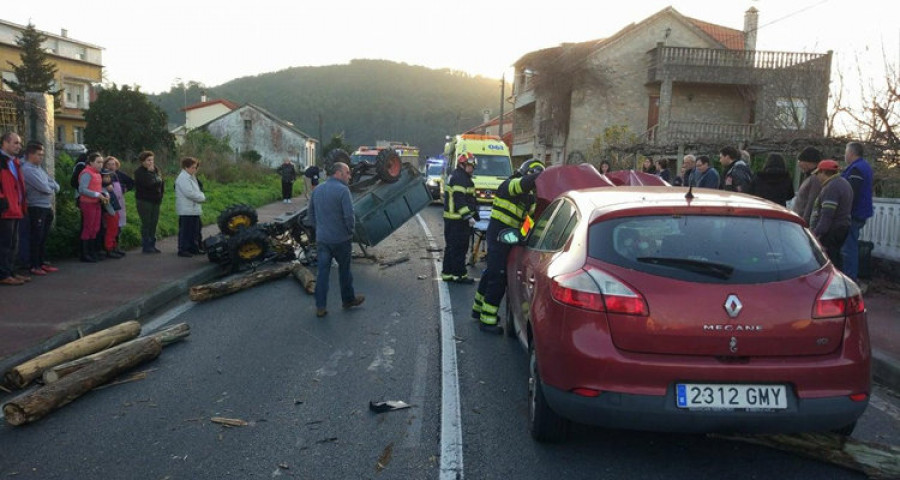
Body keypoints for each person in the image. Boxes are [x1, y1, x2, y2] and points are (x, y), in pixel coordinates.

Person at [472, 158, 545, 334]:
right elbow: (523, 184)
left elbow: (529, 220)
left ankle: (478, 309)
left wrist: (524, 235)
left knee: (490, 272)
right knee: (498, 277)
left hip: (509, 237)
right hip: (498, 236)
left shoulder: (530, 199)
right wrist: (544, 176)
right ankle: (487, 321)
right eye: (534, 179)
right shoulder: (510, 185)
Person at [307, 150, 365, 318]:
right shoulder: (343, 191)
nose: (349, 176)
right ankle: (348, 300)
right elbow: (349, 216)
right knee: (345, 271)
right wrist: (350, 231)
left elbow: (310, 214)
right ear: (339, 173)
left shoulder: (317, 190)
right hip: (341, 240)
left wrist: (319, 229)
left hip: (323, 239)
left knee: (322, 273)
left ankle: (320, 307)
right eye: (347, 173)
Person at [21, 141, 60, 275]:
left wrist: (50, 186)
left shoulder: (38, 169)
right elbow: (45, 187)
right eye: (39, 154)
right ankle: (34, 265)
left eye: (42, 154)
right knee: (36, 237)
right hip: (36, 207)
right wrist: (50, 186)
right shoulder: (27, 169)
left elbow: (53, 183)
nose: (41, 157)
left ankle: (41, 262)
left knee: (43, 237)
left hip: (46, 206)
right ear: (30, 155)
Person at [839, 141, 874, 281]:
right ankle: (850, 276)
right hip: (859, 212)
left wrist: (843, 210)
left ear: (851, 153)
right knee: (850, 245)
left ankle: (850, 278)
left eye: (846, 152)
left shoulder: (856, 169)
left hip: (854, 213)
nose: (844, 155)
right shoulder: (862, 167)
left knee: (848, 247)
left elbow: (851, 192)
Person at [441, 152, 478, 283]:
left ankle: (447, 274)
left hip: (453, 219)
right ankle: (459, 275)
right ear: (463, 164)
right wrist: (468, 217)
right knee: (460, 248)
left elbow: (468, 199)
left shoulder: (457, 176)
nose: (472, 169)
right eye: (471, 165)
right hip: (458, 220)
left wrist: (475, 215)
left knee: (451, 247)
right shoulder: (460, 179)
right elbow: (460, 200)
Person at [809, 160, 853, 269]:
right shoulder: (844, 183)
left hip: (832, 230)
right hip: (843, 227)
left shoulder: (831, 188)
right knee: (837, 256)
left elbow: (827, 215)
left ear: (823, 172)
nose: (817, 177)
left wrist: (815, 234)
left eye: (818, 173)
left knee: (830, 261)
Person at [0, 132, 29, 285]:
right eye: (15, 143)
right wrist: (3, 202)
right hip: (5, 209)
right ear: (5, 142)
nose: (19, 146)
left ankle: (10, 272)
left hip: (15, 208)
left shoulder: (14, 161)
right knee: (4, 244)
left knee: (13, 243)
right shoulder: (2, 161)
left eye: (19, 143)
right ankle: (4, 274)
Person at [77, 152, 109, 263]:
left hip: (96, 203)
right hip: (87, 203)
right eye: (98, 162)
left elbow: (99, 188)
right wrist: (97, 194)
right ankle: (84, 253)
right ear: (91, 162)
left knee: (95, 227)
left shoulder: (97, 174)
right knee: (88, 227)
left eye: (102, 162)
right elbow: (82, 189)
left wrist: (104, 194)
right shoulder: (86, 173)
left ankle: (92, 251)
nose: (101, 165)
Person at [174, 157, 206, 258]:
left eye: (195, 168)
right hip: (186, 209)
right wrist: (202, 197)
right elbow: (190, 193)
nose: (195, 170)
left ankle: (193, 247)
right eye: (193, 168)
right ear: (186, 167)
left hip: (193, 208)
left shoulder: (191, 176)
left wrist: (200, 196)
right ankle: (183, 249)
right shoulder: (183, 178)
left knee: (195, 230)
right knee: (186, 231)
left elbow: (197, 190)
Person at [134, 150, 164, 253]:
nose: (151, 162)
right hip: (144, 201)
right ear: (142, 161)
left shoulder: (156, 170)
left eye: (152, 160)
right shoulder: (139, 172)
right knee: (146, 223)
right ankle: (146, 245)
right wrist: (152, 174)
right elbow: (150, 183)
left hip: (156, 200)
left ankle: (152, 244)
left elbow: (161, 184)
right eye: (148, 160)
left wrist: (161, 196)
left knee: (154, 223)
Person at [103, 157, 129, 257]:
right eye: (108, 164)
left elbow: (128, 183)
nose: (111, 166)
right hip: (110, 206)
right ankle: (109, 249)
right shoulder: (104, 175)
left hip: (119, 205)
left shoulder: (116, 175)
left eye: (113, 164)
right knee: (110, 229)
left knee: (116, 228)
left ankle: (115, 247)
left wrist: (123, 188)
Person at [792, 146, 823, 224]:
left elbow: (811, 202)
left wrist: (804, 221)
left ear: (809, 162)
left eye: (800, 161)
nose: (799, 164)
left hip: (802, 221)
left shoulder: (815, 179)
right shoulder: (809, 176)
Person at [99, 169, 124, 259]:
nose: (108, 178)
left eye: (109, 176)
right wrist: (112, 212)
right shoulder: (102, 189)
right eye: (105, 177)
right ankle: (109, 249)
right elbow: (106, 203)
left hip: (115, 211)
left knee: (114, 231)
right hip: (110, 212)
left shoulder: (109, 186)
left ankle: (114, 247)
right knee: (110, 231)